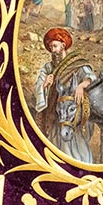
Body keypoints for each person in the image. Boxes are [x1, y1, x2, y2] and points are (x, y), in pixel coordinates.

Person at [33, 27, 95, 161]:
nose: (53, 50)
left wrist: (81, 85)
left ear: (63, 45)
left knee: (77, 148)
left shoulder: (76, 64)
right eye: (50, 47)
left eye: (55, 46)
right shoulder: (48, 68)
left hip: (73, 115)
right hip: (55, 115)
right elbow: (38, 86)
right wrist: (44, 85)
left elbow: (90, 77)